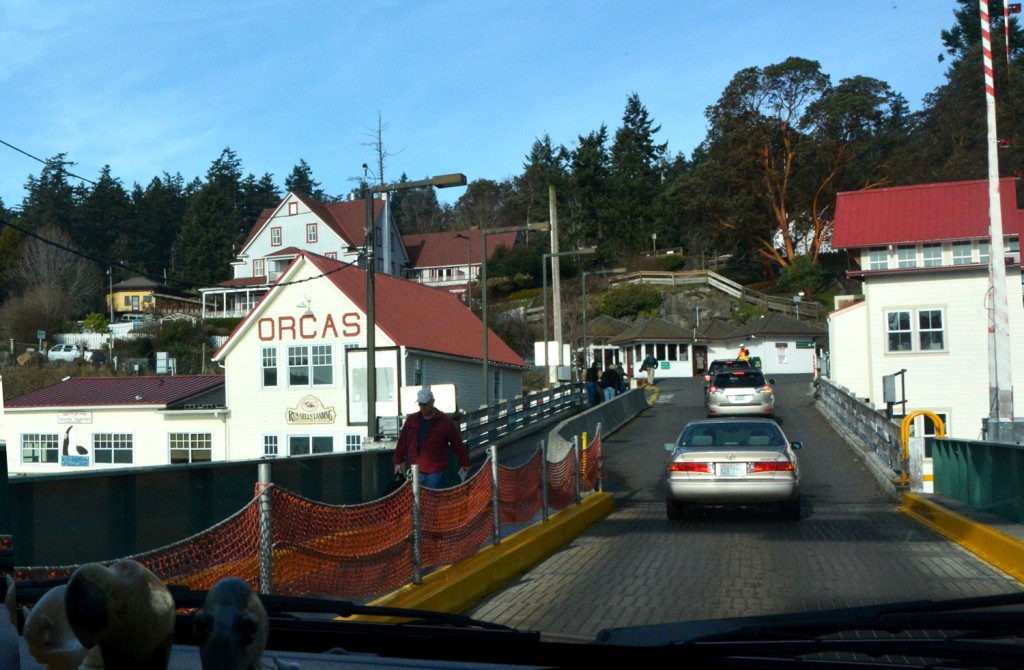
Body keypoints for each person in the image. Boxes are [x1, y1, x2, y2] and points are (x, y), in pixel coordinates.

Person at [393, 389, 470, 488]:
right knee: (416, 500)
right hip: (415, 469)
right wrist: (397, 462)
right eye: (420, 404)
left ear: (432, 402)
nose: (422, 407)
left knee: (430, 500)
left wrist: (465, 463)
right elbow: (402, 441)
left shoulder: (445, 422)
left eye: (425, 404)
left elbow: (457, 444)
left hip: (435, 470)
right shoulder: (411, 420)